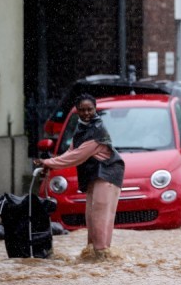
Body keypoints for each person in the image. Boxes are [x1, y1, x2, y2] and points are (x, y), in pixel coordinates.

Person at [34, 93, 125, 257]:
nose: (86, 113)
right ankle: (93, 255)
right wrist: (50, 162)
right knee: (90, 217)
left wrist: (48, 163)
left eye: (90, 109)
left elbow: (76, 157)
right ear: (77, 110)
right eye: (82, 110)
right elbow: (71, 151)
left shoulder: (97, 130)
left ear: (95, 109)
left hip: (108, 175)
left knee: (100, 217)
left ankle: (103, 256)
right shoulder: (81, 126)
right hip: (94, 176)